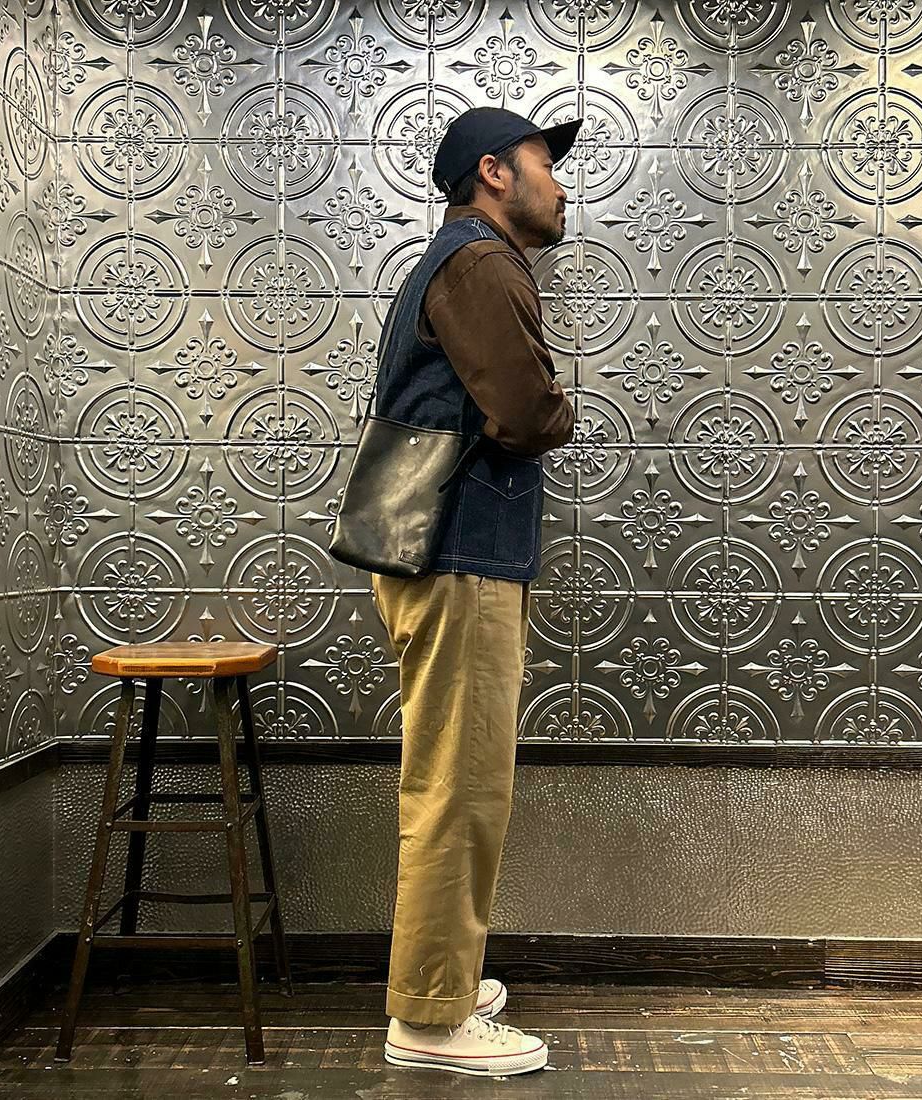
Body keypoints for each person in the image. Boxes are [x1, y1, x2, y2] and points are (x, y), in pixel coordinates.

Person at [371, 106, 580, 1077]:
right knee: (459, 790)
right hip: (461, 558)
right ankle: (428, 1017)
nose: (560, 185)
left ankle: (442, 979)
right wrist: (557, 408)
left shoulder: (454, 261)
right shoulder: (482, 264)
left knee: (455, 783)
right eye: (546, 163)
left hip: (441, 554)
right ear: (493, 172)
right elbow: (527, 412)